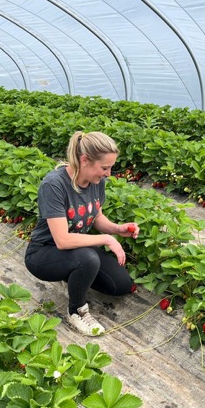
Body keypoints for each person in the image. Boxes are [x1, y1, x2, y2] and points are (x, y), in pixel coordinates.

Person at [24, 131, 139, 336]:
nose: (109, 173)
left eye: (110, 167)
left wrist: (118, 229)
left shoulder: (96, 182)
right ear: (85, 160)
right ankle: (76, 311)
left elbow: (96, 216)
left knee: (121, 285)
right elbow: (62, 240)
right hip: (44, 253)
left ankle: (74, 275)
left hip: (78, 250)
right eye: (105, 168)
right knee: (87, 258)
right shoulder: (54, 185)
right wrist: (106, 239)